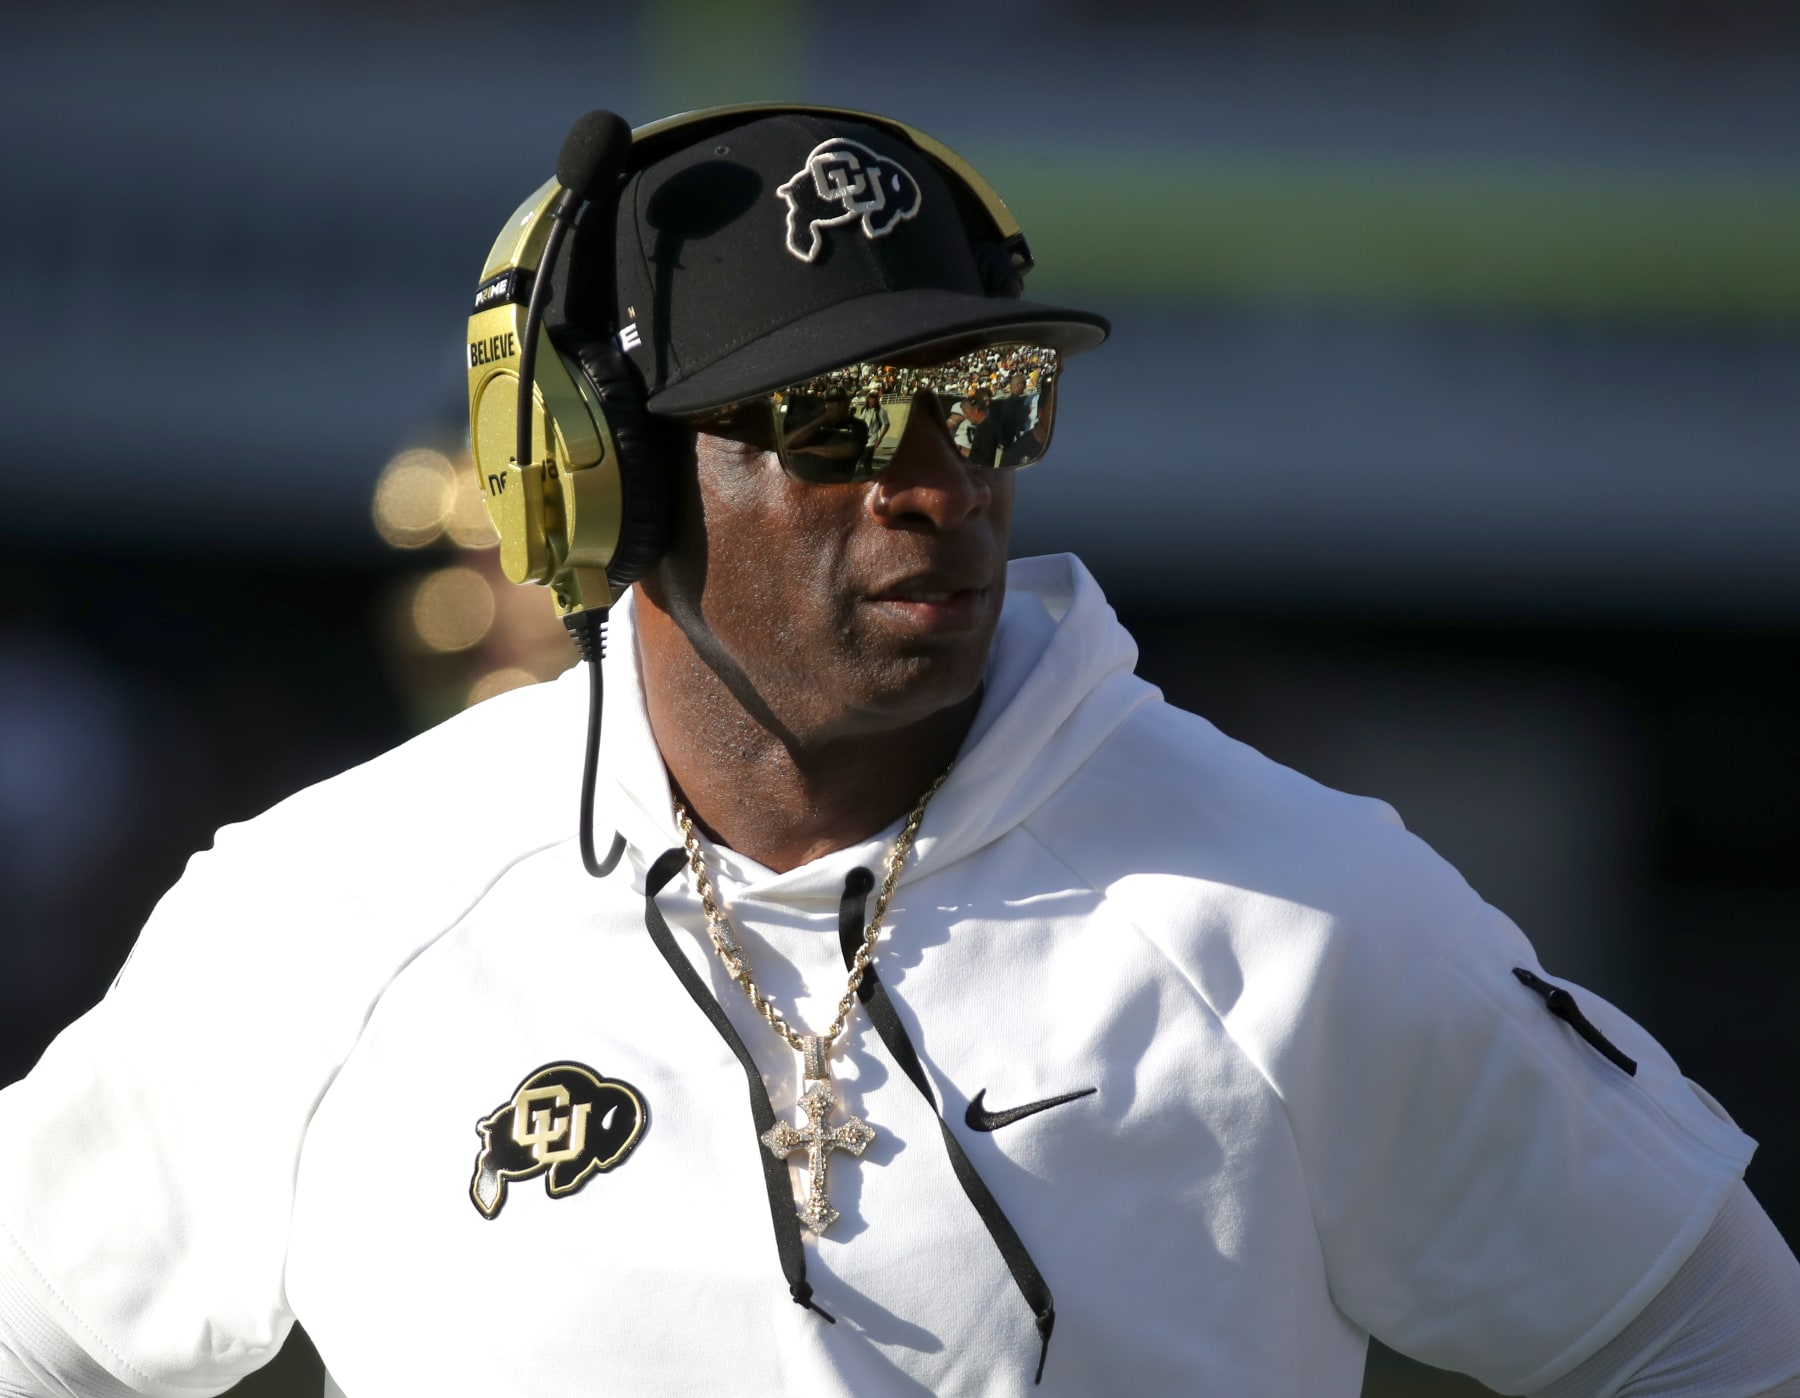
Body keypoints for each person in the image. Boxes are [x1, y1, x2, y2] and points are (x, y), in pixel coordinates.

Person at [1, 106, 1797, 1398]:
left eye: (983, 401)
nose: (933, 481)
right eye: (835, 421)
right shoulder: (333, 912)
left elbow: (1716, 1341)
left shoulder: (1299, 911)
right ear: (607, 475)